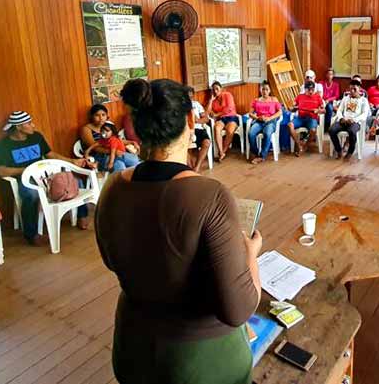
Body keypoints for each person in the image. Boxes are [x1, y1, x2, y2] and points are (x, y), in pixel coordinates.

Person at [95, 78, 262, 384]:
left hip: (133, 349)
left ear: (137, 125)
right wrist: (250, 255)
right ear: (189, 122)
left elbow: (111, 259)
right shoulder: (209, 195)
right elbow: (239, 309)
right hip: (197, 363)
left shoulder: (112, 188)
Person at [0, 111, 95, 243]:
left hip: (46, 175)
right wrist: (28, 170)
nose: (33, 126)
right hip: (26, 179)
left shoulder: (36, 137)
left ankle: (82, 215)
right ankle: (31, 234)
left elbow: (50, 154)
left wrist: (71, 161)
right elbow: (1, 171)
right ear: (18, 127)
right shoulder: (2, 146)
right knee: (31, 195)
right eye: (29, 123)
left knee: (75, 181)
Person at [80, 104, 141, 173]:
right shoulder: (86, 129)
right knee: (132, 161)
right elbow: (95, 147)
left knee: (120, 164)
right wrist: (114, 152)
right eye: (97, 115)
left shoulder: (108, 126)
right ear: (92, 117)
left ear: (106, 116)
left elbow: (117, 140)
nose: (101, 118)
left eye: (103, 115)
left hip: (113, 155)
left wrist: (132, 142)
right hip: (99, 157)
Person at [329, 80, 370, 160]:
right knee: (331, 130)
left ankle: (350, 152)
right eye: (351, 89)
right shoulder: (345, 98)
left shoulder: (363, 100)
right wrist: (341, 118)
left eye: (354, 89)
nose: (352, 91)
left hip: (355, 122)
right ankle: (339, 150)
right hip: (344, 120)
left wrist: (354, 120)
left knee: (352, 131)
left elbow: (364, 114)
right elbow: (339, 110)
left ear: (359, 88)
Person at [247, 81, 282, 164]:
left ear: (269, 90)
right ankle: (255, 152)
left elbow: (280, 112)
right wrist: (258, 117)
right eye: (263, 89)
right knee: (251, 133)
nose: (264, 91)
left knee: (267, 133)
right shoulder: (256, 100)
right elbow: (250, 113)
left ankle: (262, 156)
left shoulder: (274, 99)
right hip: (259, 121)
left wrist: (270, 118)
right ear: (260, 90)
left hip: (270, 121)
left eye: (266, 89)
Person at [288, 80, 324, 156]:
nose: (311, 91)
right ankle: (299, 145)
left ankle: (304, 146)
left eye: (312, 90)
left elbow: (324, 110)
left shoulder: (318, 97)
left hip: (311, 119)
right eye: (309, 89)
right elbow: (293, 107)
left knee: (313, 131)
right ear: (305, 89)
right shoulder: (300, 96)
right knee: (290, 125)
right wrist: (292, 108)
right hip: (300, 118)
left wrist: (318, 110)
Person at [208, 81, 240, 161]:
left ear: (221, 89)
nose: (215, 91)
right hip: (221, 119)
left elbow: (229, 108)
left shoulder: (227, 95)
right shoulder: (214, 101)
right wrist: (211, 100)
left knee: (230, 131)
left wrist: (216, 114)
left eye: (217, 89)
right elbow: (208, 112)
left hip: (231, 117)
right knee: (216, 128)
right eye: (213, 90)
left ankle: (223, 151)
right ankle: (221, 152)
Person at [185, 85, 212, 172]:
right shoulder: (181, 106)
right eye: (187, 97)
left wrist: (197, 120)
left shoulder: (196, 104)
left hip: (199, 129)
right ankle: (190, 168)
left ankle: (197, 166)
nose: (190, 99)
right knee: (187, 147)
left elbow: (206, 119)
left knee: (207, 143)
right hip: (187, 130)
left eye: (191, 96)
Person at [319, 68, 341, 133]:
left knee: (329, 108)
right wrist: (322, 100)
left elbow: (336, 96)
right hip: (321, 101)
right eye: (328, 74)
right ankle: (319, 126)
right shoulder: (321, 83)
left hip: (330, 102)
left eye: (331, 74)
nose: (329, 76)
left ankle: (327, 126)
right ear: (326, 75)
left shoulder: (336, 85)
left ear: (333, 75)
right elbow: (318, 93)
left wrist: (328, 100)